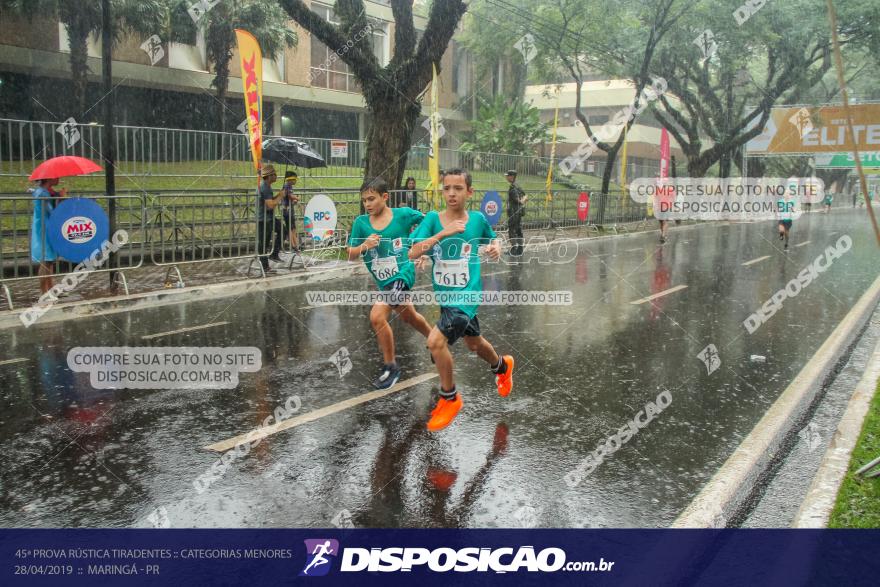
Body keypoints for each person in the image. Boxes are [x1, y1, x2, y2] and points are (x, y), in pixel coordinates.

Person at [409, 168, 514, 432]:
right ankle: (502, 366)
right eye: (447, 188)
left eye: (458, 188)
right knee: (474, 345)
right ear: (442, 191)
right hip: (446, 297)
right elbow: (412, 251)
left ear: (469, 192)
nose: (452, 193)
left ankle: (450, 398)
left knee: (435, 342)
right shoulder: (433, 219)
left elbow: (495, 239)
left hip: (467, 296)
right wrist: (441, 235)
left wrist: (495, 247)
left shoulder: (477, 220)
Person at [347, 177, 433, 389]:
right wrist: (365, 246)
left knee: (377, 317)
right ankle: (435, 341)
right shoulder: (361, 224)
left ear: (385, 197)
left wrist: (421, 248)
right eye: (364, 200)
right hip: (383, 280)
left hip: (403, 274)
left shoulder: (403, 215)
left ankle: (391, 367)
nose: (367, 204)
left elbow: (430, 221)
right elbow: (350, 254)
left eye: (371, 199)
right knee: (409, 317)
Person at [30, 178, 66, 294]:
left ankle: (51, 289)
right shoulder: (43, 193)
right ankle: (44, 293)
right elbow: (52, 211)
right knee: (46, 260)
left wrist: (57, 198)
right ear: (49, 178)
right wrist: (60, 199)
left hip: (46, 227)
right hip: (44, 228)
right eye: (56, 177)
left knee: (49, 260)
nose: (58, 179)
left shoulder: (44, 191)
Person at [256, 165, 286, 273]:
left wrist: (279, 194)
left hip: (269, 218)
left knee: (283, 230)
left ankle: (274, 254)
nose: (276, 176)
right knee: (264, 243)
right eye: (274, 174)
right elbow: (270, 205)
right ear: (269, 176)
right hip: (264, 219)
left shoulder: (267, 186)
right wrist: (280, 196)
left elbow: (270, 200)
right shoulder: (264, 187)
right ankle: (265, 266)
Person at [505, 170, 527, 256]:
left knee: (512, 230)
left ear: (512, 177)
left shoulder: (513, 187)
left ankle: (514, 249)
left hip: (513, 212)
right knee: (518, 230)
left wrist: (521, 202)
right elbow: (525, 196)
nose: (506, 177)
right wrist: (523, 201)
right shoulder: (517, 185)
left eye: (508, 176)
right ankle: (520, 249)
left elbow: (518, 200)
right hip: (519, 212)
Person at [280, 171, 301, 254]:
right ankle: (293, 245)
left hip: (290, 209)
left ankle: (296, 245)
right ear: (290, 179)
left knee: (293, 228)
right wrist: (297, 198)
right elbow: (290, 196)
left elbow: (289, 198)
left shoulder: (290, 186)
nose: (296, 181)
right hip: (287, 210)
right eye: (295, 179)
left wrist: (294, 201)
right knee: (291, 228)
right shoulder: (287, 185)